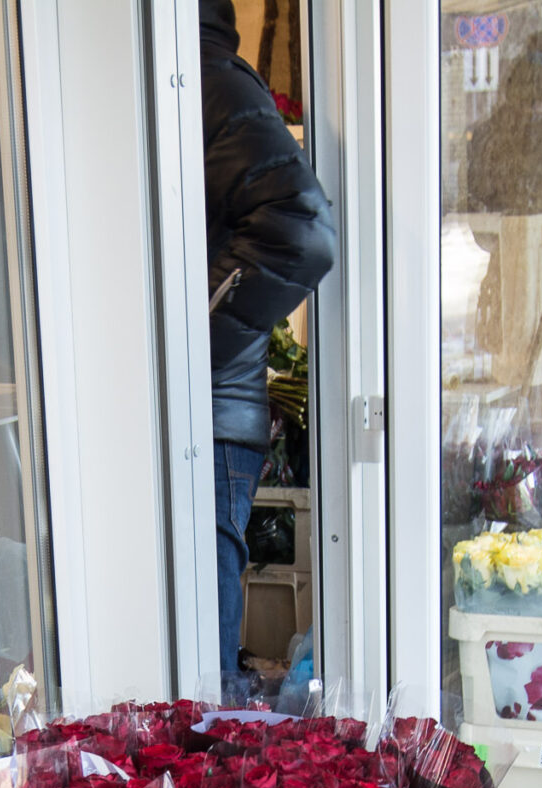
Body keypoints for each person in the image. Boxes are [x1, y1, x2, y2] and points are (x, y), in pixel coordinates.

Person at [198, 0, 334, 687]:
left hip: (206, 422)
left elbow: (301, 231)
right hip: (197, 417)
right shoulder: (187, 80)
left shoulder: (206, 82)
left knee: (198, 673)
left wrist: (187, 349)